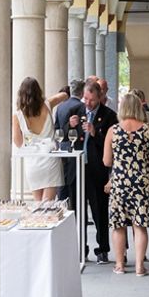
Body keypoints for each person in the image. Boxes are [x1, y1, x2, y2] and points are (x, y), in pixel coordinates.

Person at [104, 93, 149, 276]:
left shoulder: (113, 131)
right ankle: (140, 266)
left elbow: (106, 161)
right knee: (140, 225)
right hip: (142, 183)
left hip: (120, 183)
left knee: (119, 225)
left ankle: (120, 265)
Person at [69, 79, 118, 264]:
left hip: (97, 169)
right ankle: (81, 249)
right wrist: (69, 126)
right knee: (78, 211)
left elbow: (112, 143)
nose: (88, 103)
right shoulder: (77, 111)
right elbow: (65, 136)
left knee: (99, 211)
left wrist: (95, 132)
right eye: (85, 99)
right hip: (78, 168)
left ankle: (102, 249)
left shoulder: (109, 116)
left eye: (91, 100)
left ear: (100, 97)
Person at [11, 77, 68, 201]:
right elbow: (63, 95)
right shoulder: (47, 104)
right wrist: (65, 93)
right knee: (48, 204)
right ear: (38, 91)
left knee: (38, 204)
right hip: (50, 158)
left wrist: (29, 143)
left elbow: (17, 141)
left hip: (32, 161)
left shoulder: (18, 115)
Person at [53, 79, 86, 209]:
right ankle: (73, 210)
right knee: (74, 184)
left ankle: (62, 208)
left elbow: (57, 129)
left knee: (63, 182)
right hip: (76, 149)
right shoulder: (82, 107)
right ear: (82, 92)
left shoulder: (60, 107)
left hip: (62, 149)